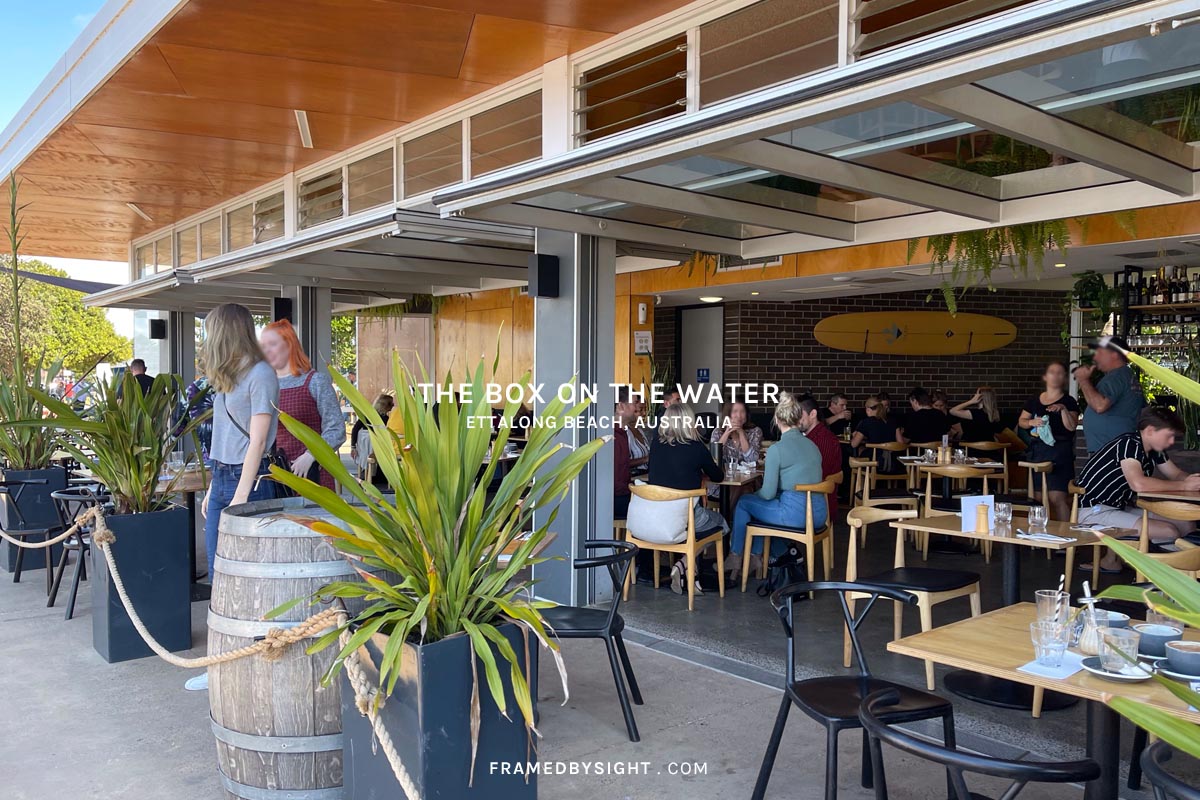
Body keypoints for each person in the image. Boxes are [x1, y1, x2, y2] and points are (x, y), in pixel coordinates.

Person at [190, 303, 279, 693]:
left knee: (250, 579)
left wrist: (239, 497)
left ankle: (249, 663)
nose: (206, 338)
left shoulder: (261, 374)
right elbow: (226, 439)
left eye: (210, 331)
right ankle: (220, 666)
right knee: (220, 575)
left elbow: (258, 441)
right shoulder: (228, 377)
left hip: (252, 483)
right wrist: (214, 485)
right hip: (225, 477)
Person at [1076, 406, 1200, 572]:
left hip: (1120, 507)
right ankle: (1165, 577)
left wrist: (1193, 481)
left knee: (1186, 524)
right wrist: (1184, 486)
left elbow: (1176, 474)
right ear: (1149, 431)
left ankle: (1185, 569)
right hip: (1093, 510)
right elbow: (1138, 484)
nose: (1171, 442)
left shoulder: (1155, 450)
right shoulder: (1129, 443)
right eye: (1169, 436)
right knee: (1168, 531)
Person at [727, 392, 825, 580]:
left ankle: (736, 556)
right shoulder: (812, 446)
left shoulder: (776, 450)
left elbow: (768, 493)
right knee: (762, 508)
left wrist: (755, 494)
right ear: (798, 419)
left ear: (777, 420)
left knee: (745, 502)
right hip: (818, 513)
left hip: (795, 515)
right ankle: (755, 557)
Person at [633, 403, 726, 595]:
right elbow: (718, 476)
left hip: (651, 518)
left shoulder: (656, 445)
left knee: (695, 523)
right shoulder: (696, 448)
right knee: (722, 524)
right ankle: (683, 564)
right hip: (683, 520)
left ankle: (691, 578)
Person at [259, 320, 346, 490]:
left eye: (272, 344)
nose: (266, 350)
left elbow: (336, 428)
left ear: (289, 345)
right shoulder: (263, 386)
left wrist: (311, 455)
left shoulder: (315, 381)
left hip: (312, 476)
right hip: (273, 480)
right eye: (263, 346)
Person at [1018, 362, 1079, 521]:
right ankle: (1038, 537)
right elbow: (1022, 421)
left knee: (1057, 498)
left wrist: (1063, 409)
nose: (1056, 376)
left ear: (1064, 378)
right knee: (1037, 499)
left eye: (1060, 373)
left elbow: (1072, 427)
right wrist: (1031, 422)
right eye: (1052, 372)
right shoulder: (1033, 401)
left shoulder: (1069, 401)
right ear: (1045, 377)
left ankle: (1065, 538)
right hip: (1038, 451)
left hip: (1060, 452)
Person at [1074, 335, 1144, 453]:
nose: (1095, 357)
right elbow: (1143, 410)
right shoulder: (1127, 376)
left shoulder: (1116, 376)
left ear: (1114, 354)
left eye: (1100, 353)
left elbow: (1100, 406)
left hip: (1109, 450)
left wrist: (1083, 380)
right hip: (1116, 447)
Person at [796, 395, 843, 520]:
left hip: (816, 505)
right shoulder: (813, 437)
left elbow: (816, 477)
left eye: (799, 415)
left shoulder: (822, 440)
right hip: (816, 500)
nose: (795, 420)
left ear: (813, 414)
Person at [851, 395, 903, 475]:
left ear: (868, 409)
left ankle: (861, 482)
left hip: (875, 461)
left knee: (860, 449)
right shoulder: (893, 421)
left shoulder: (866, 422)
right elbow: (901, 443)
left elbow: (854, 444)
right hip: (893, 462)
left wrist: (856, 435)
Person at [352, 393, 395, 486]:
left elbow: (355, 429)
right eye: (391, 404)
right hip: (374, 446)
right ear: (385, 406)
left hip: (363, 446)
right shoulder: (386, 419)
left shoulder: (367, 415)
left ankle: (368, 474)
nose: (393, 406)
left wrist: (353, 446)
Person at [710, 400, 763, 465]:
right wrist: (727, 433)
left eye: (742, 411)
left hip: (749, 474)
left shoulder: (755, 431)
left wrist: (741, 433)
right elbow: (713, 459)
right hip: (724, 474)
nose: (739, 416)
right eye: (735, 411)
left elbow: (752, 460)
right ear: (728, 415)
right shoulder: (718, 432)